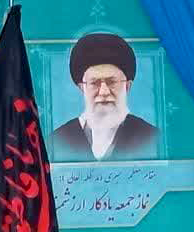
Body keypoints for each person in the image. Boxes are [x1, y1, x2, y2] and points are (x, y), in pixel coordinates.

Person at [51, 32, 158, 162]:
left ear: (127, 86)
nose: (104, 92)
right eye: (95, 83)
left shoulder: (152, 137)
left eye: (111, 82)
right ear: (82, 88)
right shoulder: (56, 140)